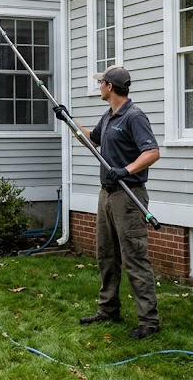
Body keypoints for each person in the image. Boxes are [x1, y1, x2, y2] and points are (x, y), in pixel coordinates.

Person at [53, 64, 161, 339]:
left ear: (110, 87)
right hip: (107, 194)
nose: (99, 86)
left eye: (101, 82)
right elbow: (93, 141)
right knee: (107, 256)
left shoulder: (134, 116)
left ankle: (149, 321)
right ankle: (108, 310)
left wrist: (125, 170)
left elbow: (152, 152)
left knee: (135, 258)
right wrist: (68, 120)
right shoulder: (110, 115)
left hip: (128, 196)